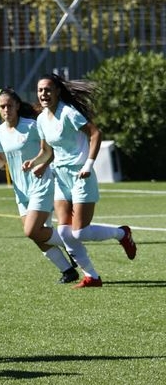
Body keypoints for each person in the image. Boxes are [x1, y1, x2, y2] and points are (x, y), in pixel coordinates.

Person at [24, 73, 136, 288]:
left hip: (80, 175)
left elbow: (95, 134)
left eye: (48, 89)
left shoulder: (69, 113)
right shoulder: (41, 119)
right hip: (61, 176)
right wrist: (37, 162)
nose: (43, 94)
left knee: (79, 232)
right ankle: (92, 276)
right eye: (40, 90)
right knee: (65, 232)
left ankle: (122, 233)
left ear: (57, 91)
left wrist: (88, 164)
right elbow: (47, 150)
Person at [0, 88, 79, 284]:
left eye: (9, 105)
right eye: (2, 106)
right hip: (21, 191)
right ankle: (68, 270)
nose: (6, 109)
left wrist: (40, 165)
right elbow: (1, 159)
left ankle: (73, 244)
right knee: (36, 235)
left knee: (31, 230)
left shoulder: (32, 126)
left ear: (17, 106)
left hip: (41, 184)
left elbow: (50, 152)